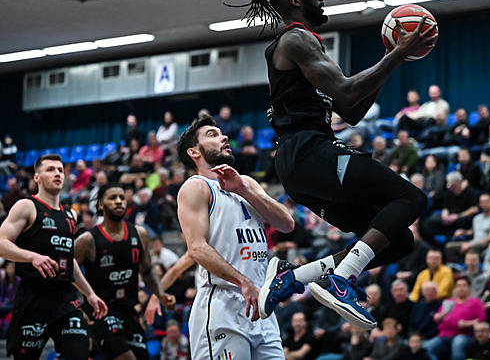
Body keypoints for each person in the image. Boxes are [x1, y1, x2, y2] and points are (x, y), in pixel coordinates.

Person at [216, 0, 435, 330]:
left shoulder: (304, 43)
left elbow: (351, 109)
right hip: (308, 151)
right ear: (296, 1)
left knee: (399, 241)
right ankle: (342, 278)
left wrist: (391, 58)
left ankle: (294, 277)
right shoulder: (296, 39)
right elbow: (348, 92)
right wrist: (396, 56)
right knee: (412, 199)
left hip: (300, 163)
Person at [175, 116, 295, 359]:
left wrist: (242, 189)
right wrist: (242, 281)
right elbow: (197, 248)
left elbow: (287, 223)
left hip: (260, 303)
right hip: (223, 304)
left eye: (221, 133)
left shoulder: (246, 183)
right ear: (194, 151)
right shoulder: (195, 187)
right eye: (212, 134)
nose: (224, 137)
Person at [0, 154, 108, 358]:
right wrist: (32, 257)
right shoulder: (27, 206)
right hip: (34, 296)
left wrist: (90, 293)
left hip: (65, 299)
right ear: (37, 177)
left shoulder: (71, 215)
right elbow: (1, 243)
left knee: (79, 353)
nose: (57, 173)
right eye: (50, 170)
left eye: (59, 170)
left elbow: (69, 261)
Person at [74, 182, 176, 360]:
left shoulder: (140, 234)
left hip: (129, 310)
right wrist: (77, 305)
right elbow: (66, 270)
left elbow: (147, 270)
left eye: (121, 197)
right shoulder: (87, 240)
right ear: (100, 204)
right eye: (112, 198)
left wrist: (160, 293)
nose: (119, 201)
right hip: (101, 312)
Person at [423, 276, 486, 360]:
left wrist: (467, 324)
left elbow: (482, 321)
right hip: (444, 335)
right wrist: (438, 316)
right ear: (455, 288)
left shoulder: (475, 302)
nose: (461, 288)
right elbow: (436, 317)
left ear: (469, 288)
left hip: (464, 335)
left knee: (457, 344)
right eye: (458, 286)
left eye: (464, 286)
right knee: (425, 349)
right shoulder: (449, 301)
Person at [422, 171, 479, 244]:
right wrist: (444, 216)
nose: (451, 187)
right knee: (428, 223)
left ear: (458, 182)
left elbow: (474, 209)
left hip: (462, 217)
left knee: (463, 221)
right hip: (449, 216)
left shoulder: (470, 192)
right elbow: (446, 208)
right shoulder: (449, 193)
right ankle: (433, 243)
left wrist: (458, 216)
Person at [444, 193, 490, 263]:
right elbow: (473, 232)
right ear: (480, 204)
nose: (484, 204)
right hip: (473, 242)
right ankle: (454, 267)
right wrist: (463, 232)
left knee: (472, 248)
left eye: (487, 202)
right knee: (449, 247)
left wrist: (470, 245)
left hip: (486, 244)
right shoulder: (476, 218)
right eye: (482, 202)